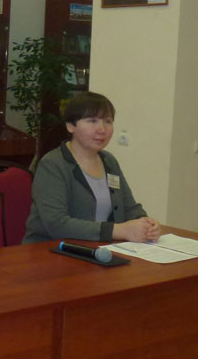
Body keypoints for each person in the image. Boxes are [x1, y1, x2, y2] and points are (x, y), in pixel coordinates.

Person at [23, 91, 161, 244]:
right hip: (50, 249)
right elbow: (56, 224)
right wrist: (117, 230)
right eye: (92, 121)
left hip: (97, 248)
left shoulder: (109, 161)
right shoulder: (53, 164)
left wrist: (145, 223)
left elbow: (129, 207)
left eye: (108, 121)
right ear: (70, 126)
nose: (102, 129)